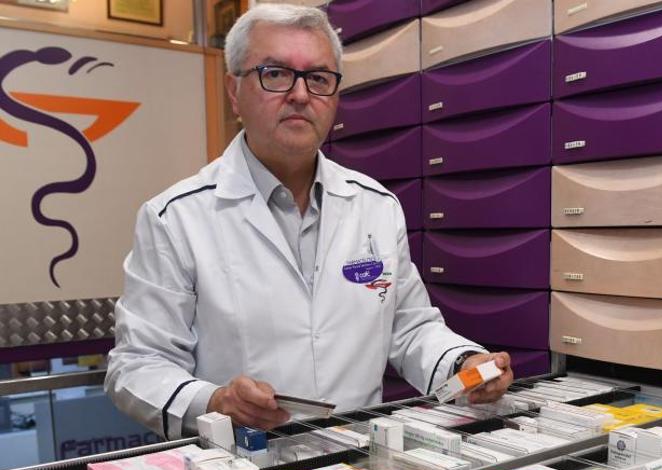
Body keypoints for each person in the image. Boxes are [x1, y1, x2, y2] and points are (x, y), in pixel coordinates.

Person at [104, 4, 514, 440]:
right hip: (239, 467)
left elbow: (409, 327)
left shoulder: (375, 206)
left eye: (318, 78)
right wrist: (214, 400)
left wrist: (462, 364)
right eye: (276, 74)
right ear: (233, 90)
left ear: (335, 96)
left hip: (358, 462)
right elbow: (137, 366)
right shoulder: (176, 218)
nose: (300, 94)